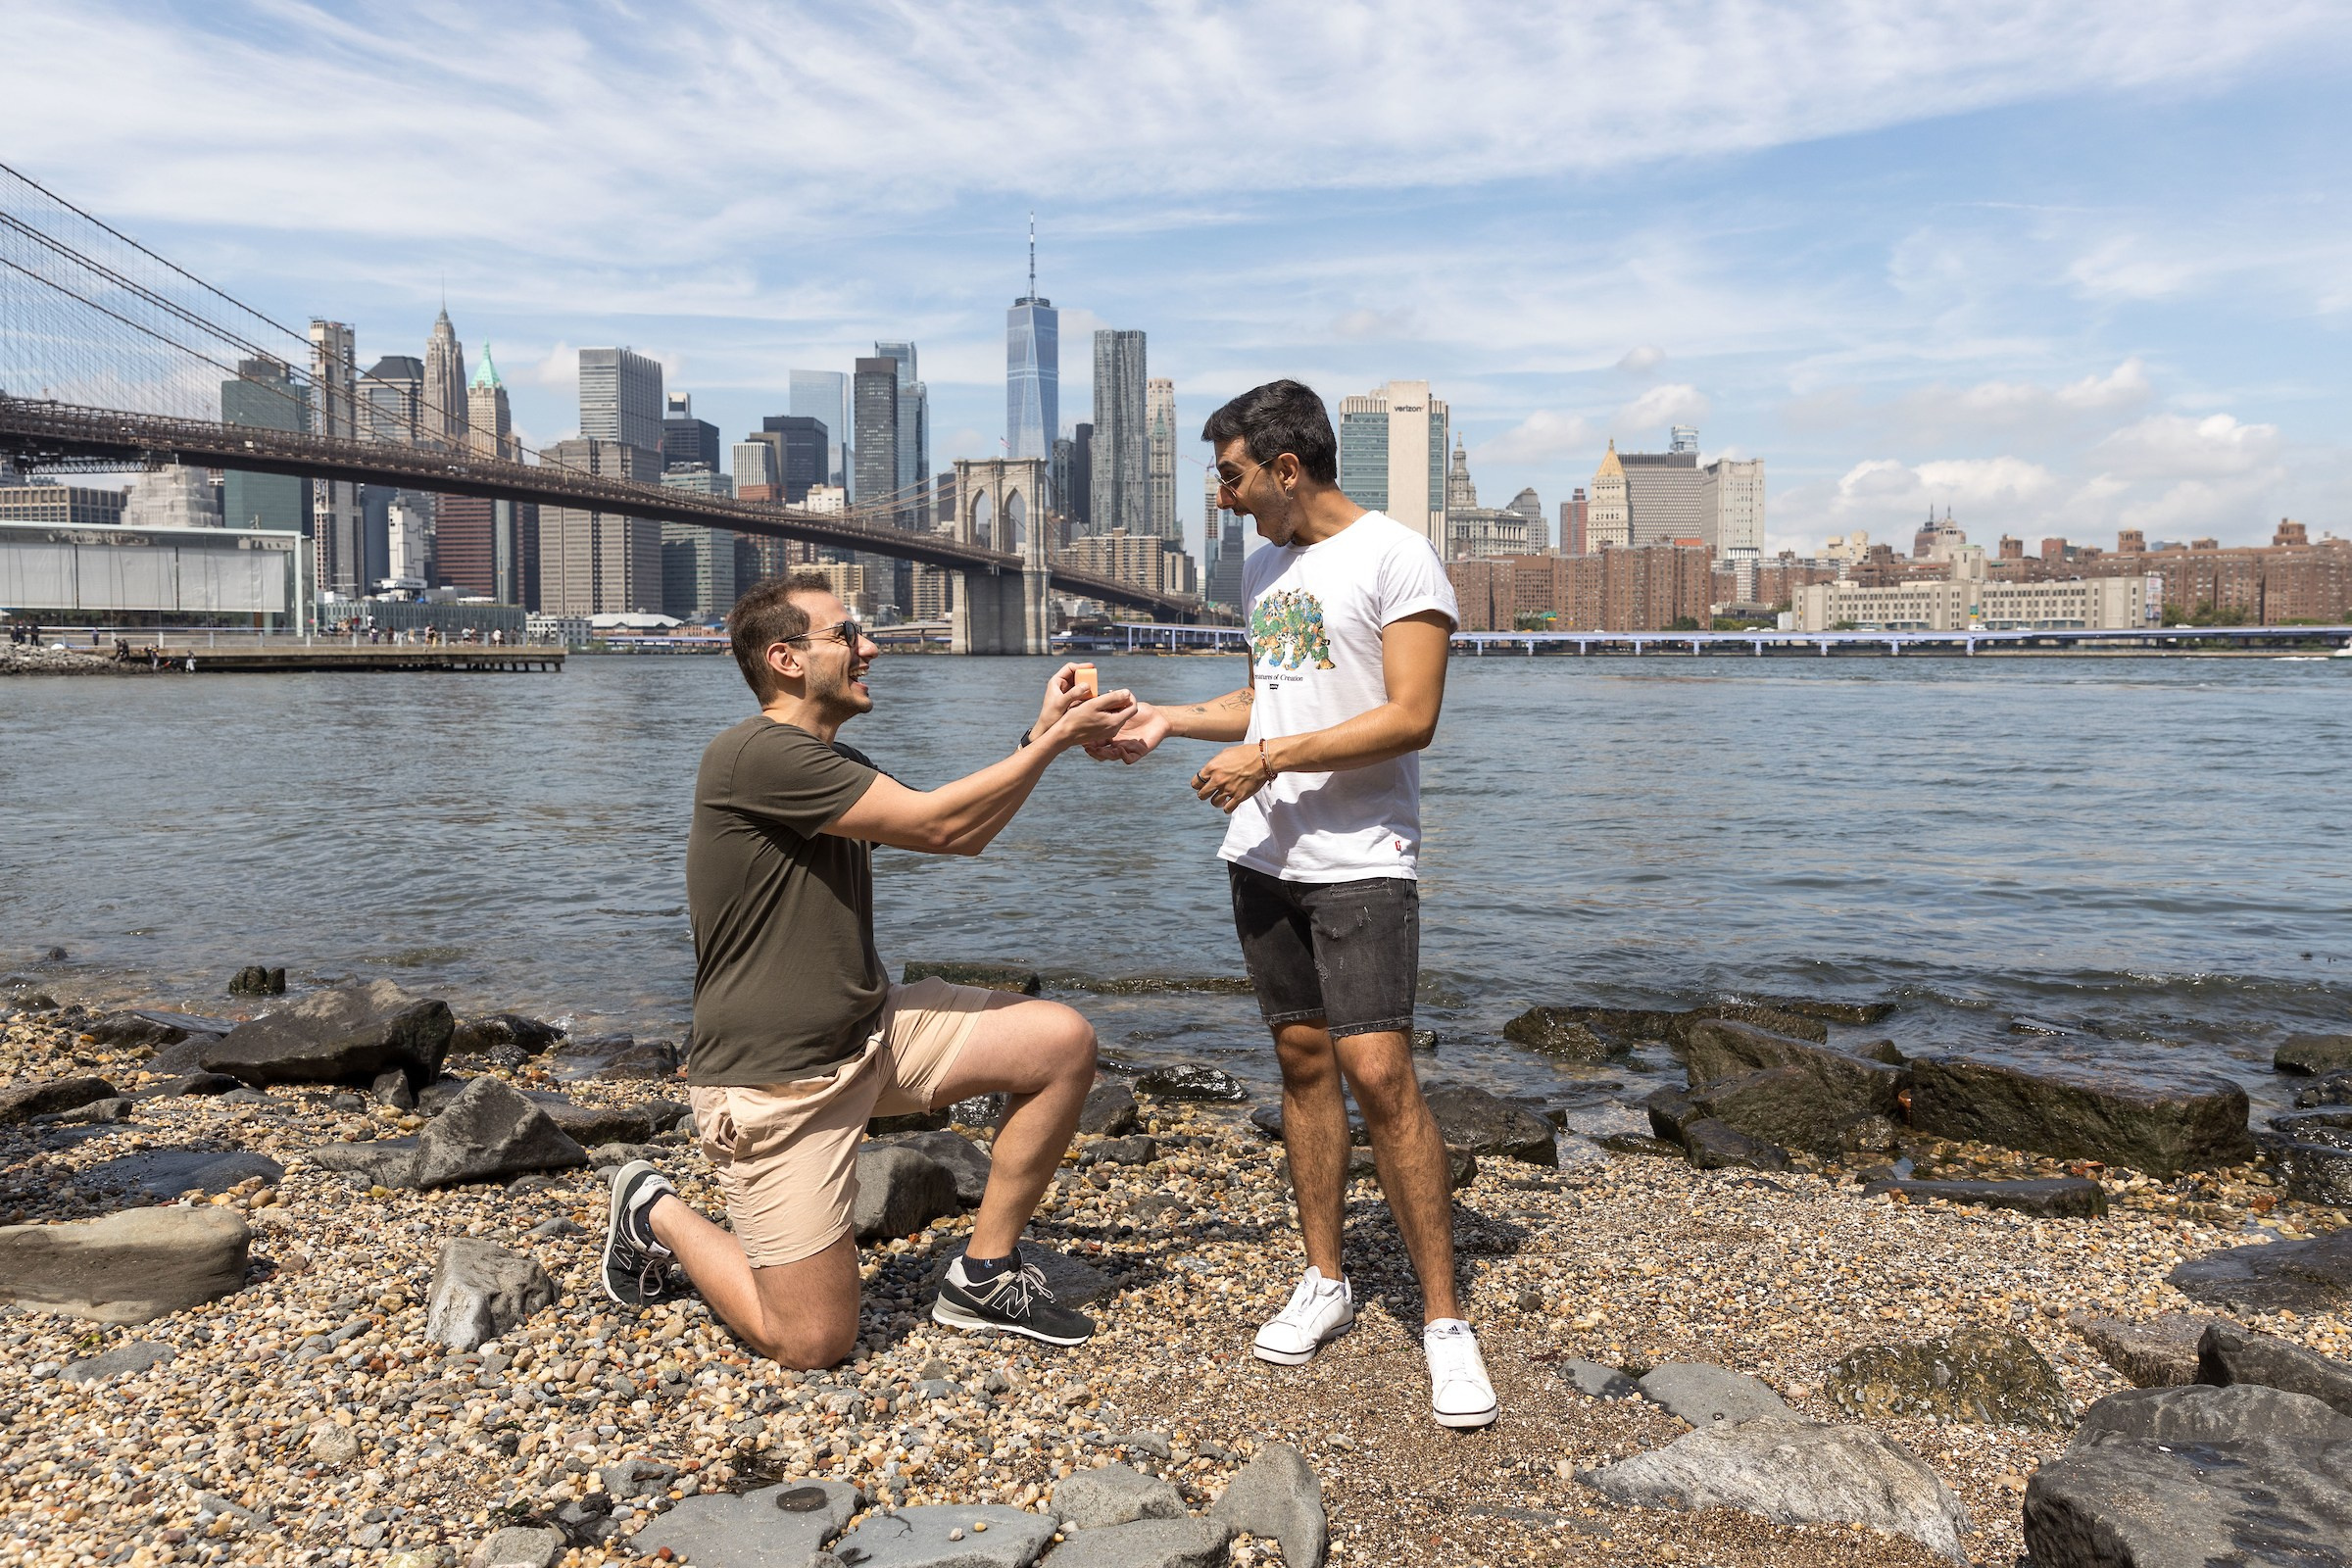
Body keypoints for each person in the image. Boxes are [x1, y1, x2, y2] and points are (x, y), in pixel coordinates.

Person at [602, 571, 1137, 1369]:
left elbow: (961, 831)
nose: (870, 648)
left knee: (1060, 1043)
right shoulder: (754, 756)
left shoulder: (822, 757)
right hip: (778, 1085)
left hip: (870, 1033)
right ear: (786, 658)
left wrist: (1040, 736)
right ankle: (654, 1208)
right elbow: (945, 825)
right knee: (811, 1342)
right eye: (847, 635)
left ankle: (985, 1275)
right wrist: (1057, 742)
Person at [1090, 380, 1494, 1429]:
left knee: (1380, 1071)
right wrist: (1170, 721)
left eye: (1227, 476)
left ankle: (1445, 1322)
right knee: (1304, 1062)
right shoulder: (1262, 562)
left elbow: (1411, 717)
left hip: (1364, 854)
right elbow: (1276, 692)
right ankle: (1326, 1278)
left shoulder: (1398, 556)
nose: (1219, 499)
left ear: (1284, 467)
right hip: (1264, 852)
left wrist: (1267, 756)